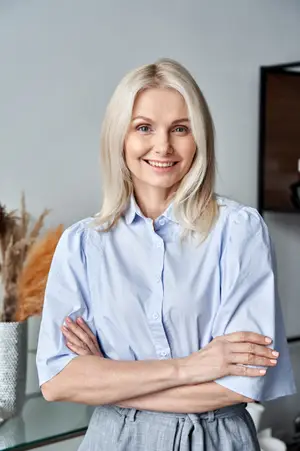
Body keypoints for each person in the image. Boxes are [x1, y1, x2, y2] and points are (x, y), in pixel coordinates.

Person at [36, 58, 296, 451]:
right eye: (144, 127)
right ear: (119, 137)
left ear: (200, 138)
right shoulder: (82, 244)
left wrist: (107, 381)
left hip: (216, 440)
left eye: (180, 129)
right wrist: (192, 367)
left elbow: (243, 384)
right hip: (112, 441)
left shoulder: (239, 231)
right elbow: (57, 382)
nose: (163, 146)